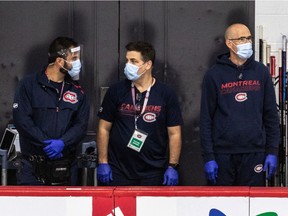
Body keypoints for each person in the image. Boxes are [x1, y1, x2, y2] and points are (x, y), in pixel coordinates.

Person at [200, 23, 280, 186]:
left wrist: (272, 151)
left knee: (251, 208)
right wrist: (208, 156)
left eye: (249, 38)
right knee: (223, 207)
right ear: (229, 43)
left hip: (254, 152)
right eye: (242, 38)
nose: (247, 42)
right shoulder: (214, 75)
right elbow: (206, 119)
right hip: (222, 154)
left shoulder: (261, 72)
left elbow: (271, 115)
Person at [96, 41, 183, 186]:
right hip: (118, 170)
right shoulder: (116, 90)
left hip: (153, 171)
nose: (127, 65)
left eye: (133, 61)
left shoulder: (166, 94)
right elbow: (103, 128)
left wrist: (173, 166)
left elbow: (175, 133)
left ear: (147, 65)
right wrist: (103, 162)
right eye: (127, 60)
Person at [12, 37, 90, 185]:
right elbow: (22, 121)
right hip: (33, 170)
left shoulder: (77, 90)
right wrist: (47, 144)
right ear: (60, 61)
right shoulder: (28, 85)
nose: (78, 62)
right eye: (74, 58)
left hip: (66, 168)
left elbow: (81, 125)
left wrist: (62, 143)